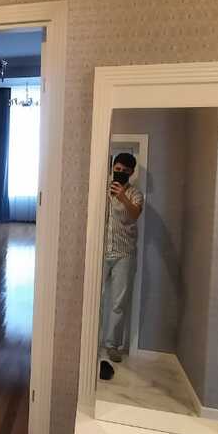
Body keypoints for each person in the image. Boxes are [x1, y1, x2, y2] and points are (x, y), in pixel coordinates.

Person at [99, 153, 144, 364]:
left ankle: (112, 345)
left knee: (118, 303)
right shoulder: (102, 189)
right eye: (117, 169)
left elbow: (135, 214)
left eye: (125, 171)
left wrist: (122, 196)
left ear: (131, 173)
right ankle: (91, 340)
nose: (120, 173)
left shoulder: (135, 194)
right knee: (95, 298)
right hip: (100, 252)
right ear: (112, 168)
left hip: (124, 254)